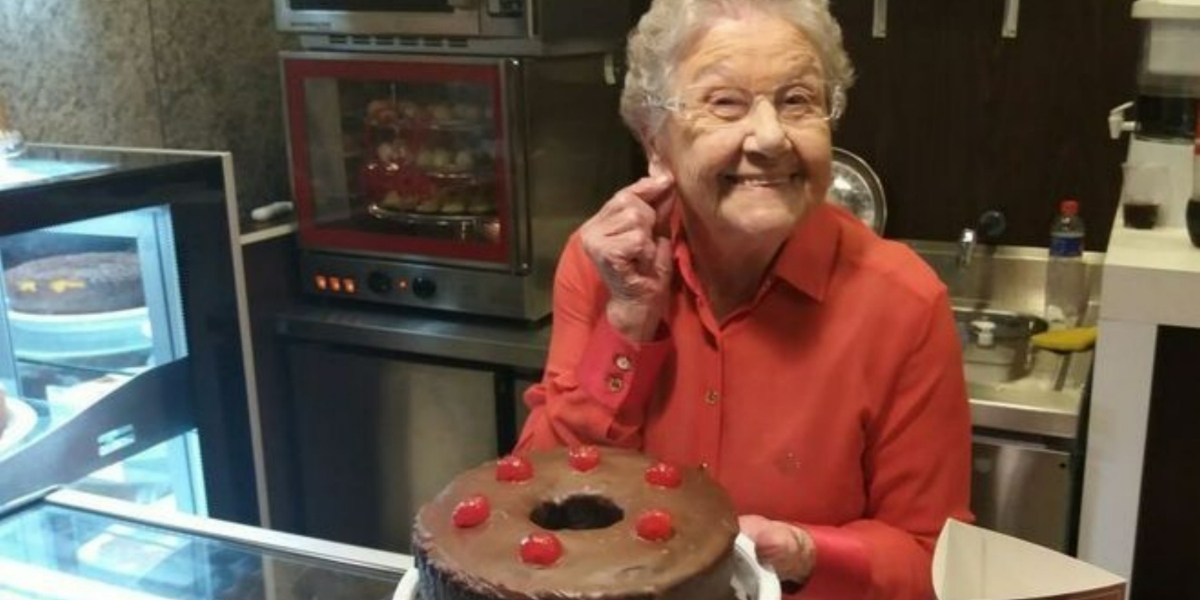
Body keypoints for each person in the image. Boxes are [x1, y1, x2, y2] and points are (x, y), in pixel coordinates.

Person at [515, 0, 973, 597]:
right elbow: (535, 497)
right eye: (725, 103)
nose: (770, 137)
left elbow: (936, 561)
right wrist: (627, 323)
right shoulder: (602, 264)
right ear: (656, 142)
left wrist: (805, 552)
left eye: (798, 101)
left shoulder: (904, 303)